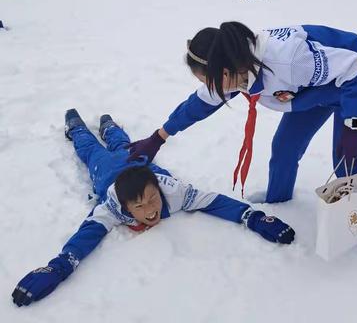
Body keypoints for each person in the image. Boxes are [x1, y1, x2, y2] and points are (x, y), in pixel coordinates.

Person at [127, 22, 357, 258]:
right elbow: (197, 105)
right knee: (283, 149)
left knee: (350, 168)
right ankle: (280, 200)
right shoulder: (232, 70)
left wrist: (354, 126)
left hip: (355, 79)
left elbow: (355, 70)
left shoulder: (288, 60)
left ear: (225, 68)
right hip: (307, 94)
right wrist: (158, 137)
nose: (211, 86)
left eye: (208, 78)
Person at [11, 109, 294, 307]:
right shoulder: (111, 206)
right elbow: (88, 234)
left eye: (152, 200)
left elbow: (214, 201)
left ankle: (109, 125)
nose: (150, 210)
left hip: (138, 164)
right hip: (108, 172)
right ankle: (76, 126)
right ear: (125, 207)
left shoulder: (174, 192)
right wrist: (57, 268)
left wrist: (252, 217)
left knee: (124, 145)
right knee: (91, 152)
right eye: (140, 206)